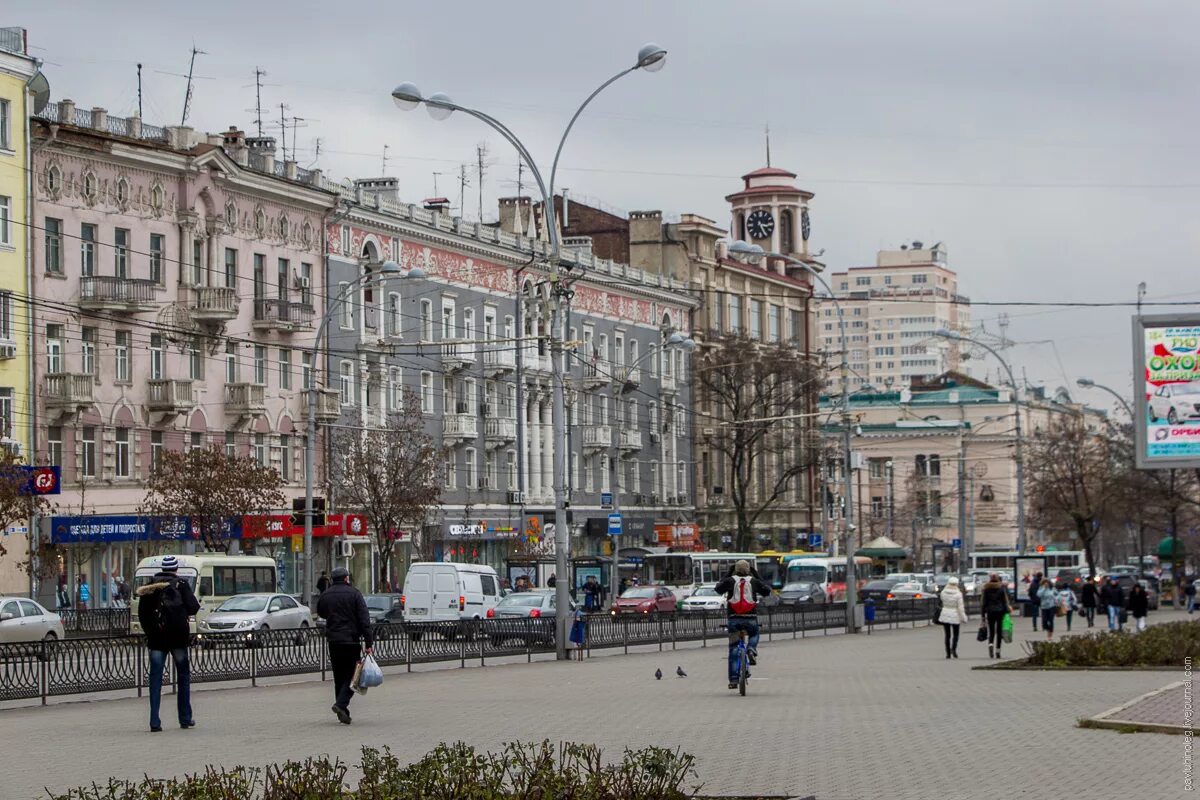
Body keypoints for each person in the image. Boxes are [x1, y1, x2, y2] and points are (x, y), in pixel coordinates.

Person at [135, 555, 200, 732]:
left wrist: (151, 632)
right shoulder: (181, 584)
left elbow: (143, 614)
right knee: (183, 676)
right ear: (175, 569)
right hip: (178, 638)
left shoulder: (150, 587)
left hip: (157, 639)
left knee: (155, 678)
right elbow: (194, 607)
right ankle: (185, 718)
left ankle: (154, 721)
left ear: (162, 569)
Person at [316, 566, 373, 725]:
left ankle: (343, 712)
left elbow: (320, 612)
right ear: (346, 578)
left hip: (333, 641)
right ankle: (340, 704)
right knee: (353, 677)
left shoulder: (326, 595)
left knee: (339, 677)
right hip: (351, 640)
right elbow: (364, 619)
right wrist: (369, 642)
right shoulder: (354, 594)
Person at [713, 560, 772, 690]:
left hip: (734, 619)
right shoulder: (753, 581)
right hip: (750, 618)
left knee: (733, 649)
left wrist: (728, 573)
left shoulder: (730, 581)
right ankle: (751, 648)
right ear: (748, 570)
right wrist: (756, 574)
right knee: (754, 633)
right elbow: (767, 591)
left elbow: (717, 589)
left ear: (736, 570)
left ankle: (733, 680)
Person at [980, 573, 1013, 659]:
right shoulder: (1001, 589)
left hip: (990, 612)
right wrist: (1007, 612)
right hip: (1000, 612)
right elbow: (1005, 602)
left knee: (991, 631)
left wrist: (983, 615)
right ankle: (998, 651)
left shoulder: (986, 589)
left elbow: (983, 603)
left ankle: (991, 644)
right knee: (999, 632)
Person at [936, 576, 970, 659]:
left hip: (945, 614)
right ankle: (953, 649)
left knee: (947, 635)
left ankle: (947, 653)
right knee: (956, 634)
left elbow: (942, 602)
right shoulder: (958, 594)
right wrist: (964, 618)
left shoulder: (943, 593)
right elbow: (960, 608)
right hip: (955, 615)